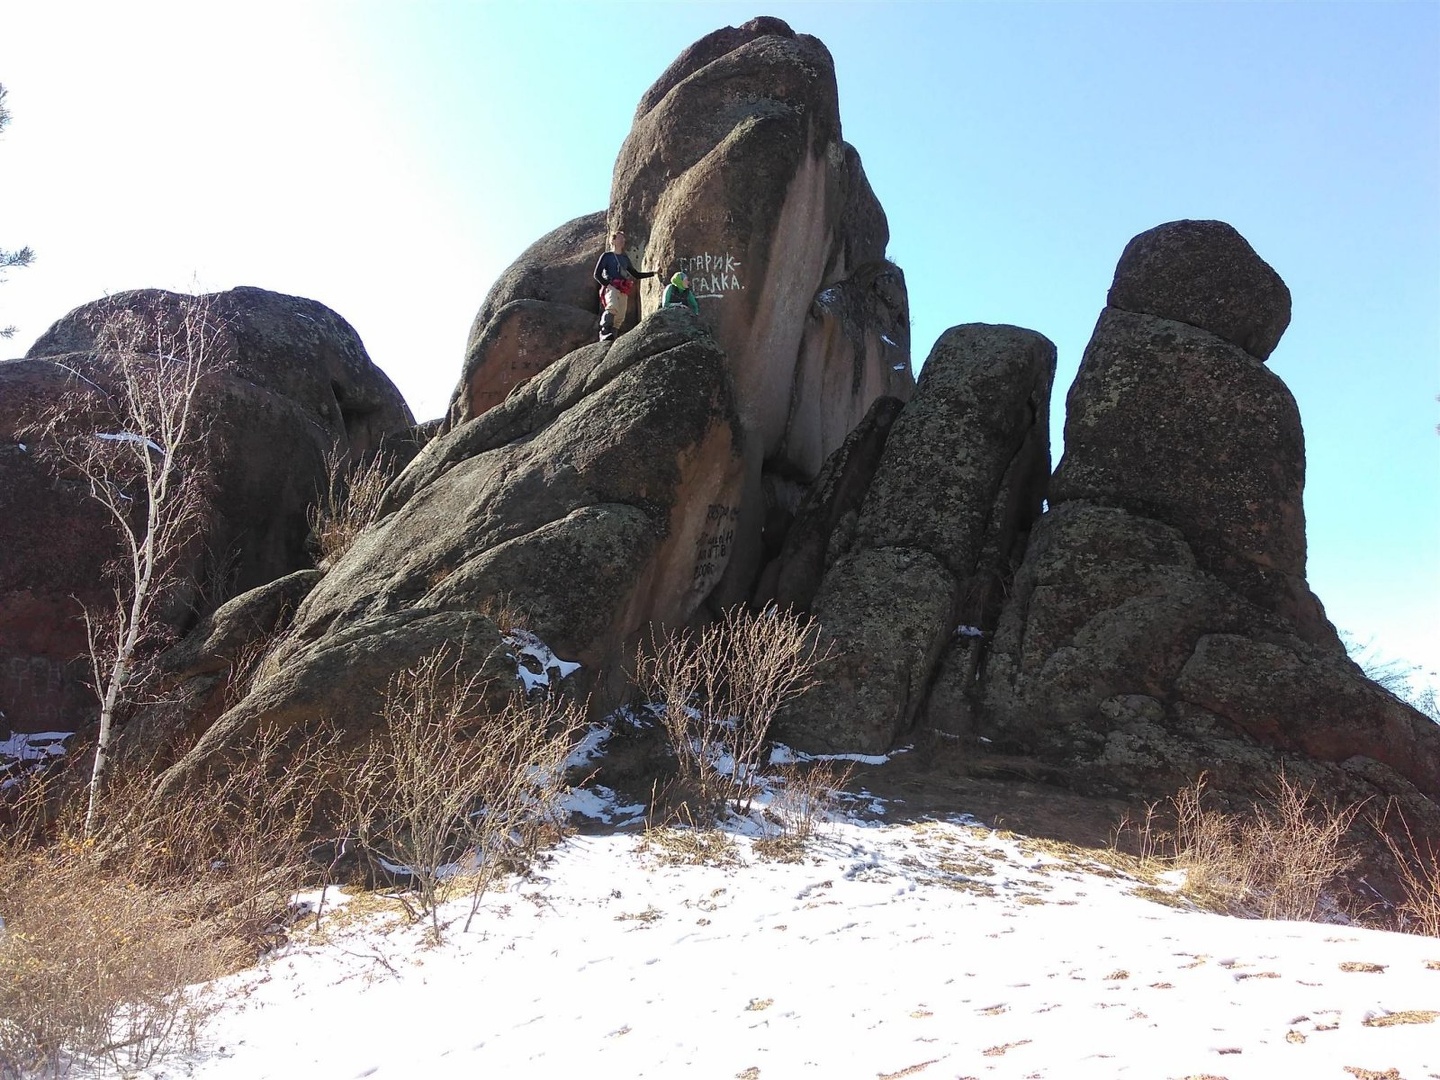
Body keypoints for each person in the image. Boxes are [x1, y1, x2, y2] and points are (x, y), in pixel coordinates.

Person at [592, 228, 657, 342]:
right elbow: (597, 274)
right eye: (620, 238)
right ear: (613, 241)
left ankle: (612, 338)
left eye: (623, 238)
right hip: (611, 286)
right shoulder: (607, 256)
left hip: (623, 288)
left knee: (620, 316)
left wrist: (654, 273)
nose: (623, 240)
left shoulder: (625, 258)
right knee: (612, 307)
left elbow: (636, 274)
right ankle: (604, 332)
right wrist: (608, 285)